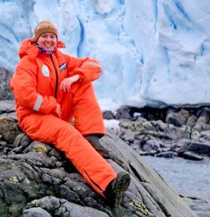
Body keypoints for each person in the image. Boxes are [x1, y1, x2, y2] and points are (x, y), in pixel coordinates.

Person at [9, 20, 130, 207]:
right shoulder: (28, 63)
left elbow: (94, 66)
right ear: (36, 40)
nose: (49, 40)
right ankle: (107, 186)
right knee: (68, 134)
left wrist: (77, 75)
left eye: (52, 36)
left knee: (83, 83)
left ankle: (90, 135)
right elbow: (24, 95)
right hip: (34, 117)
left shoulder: (61, 60)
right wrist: (49, 105)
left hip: (56, 113)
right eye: (44, 36)